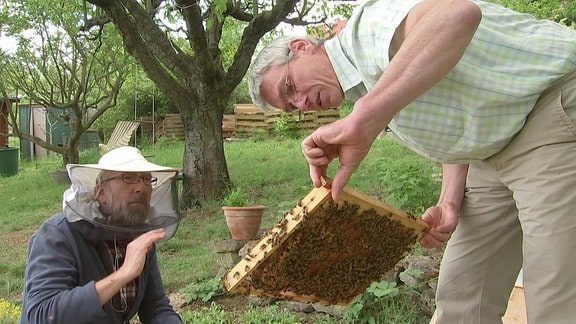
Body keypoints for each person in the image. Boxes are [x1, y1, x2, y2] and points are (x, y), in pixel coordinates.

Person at [248, 0, 576, 322]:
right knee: (461, 296)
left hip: (549, 106)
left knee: (553, 294)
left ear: (301, 46)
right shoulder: (367, 89)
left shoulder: (366, 30)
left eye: (290, 86)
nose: (302, 102)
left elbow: (458, 13)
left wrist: (367, 116)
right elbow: (459, 118)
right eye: (292, 106)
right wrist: (449, 200)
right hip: (495, 150)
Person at [19, 146, 182, 324]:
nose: (141, 188)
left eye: (146, 179)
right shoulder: (57, 235)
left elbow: (156, 308)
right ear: (101, 193)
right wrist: (123, 274)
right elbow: (43, 315)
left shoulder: (139, 236)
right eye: (128, 178)